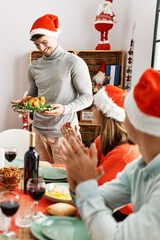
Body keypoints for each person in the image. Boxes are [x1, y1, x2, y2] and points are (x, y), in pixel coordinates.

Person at [60, 68, 160, 239]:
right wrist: (77, 184)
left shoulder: (127, 156)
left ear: (137, 123)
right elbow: (96, 201)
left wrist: (85, 183)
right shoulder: (138, 168)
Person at [62, 84, 141, 221]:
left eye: (96, 106)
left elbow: (93, 190)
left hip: (119, 217)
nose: (92, 109)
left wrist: (74, 151)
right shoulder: (103, 139)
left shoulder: (122, 155)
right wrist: (74, 144)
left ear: (106, 114)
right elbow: (87, 167)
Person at [27, 14, 93, 164]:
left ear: (54, 36)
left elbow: (88, 97)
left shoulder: (74, 62)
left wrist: (64, 109)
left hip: (65, 133)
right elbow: (32, 96)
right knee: (39, 179)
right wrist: (23, 104)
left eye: (44, 42)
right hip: (38, 132)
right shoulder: (34, 67)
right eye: (37, 45)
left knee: (65, 181)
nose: (42, 48)